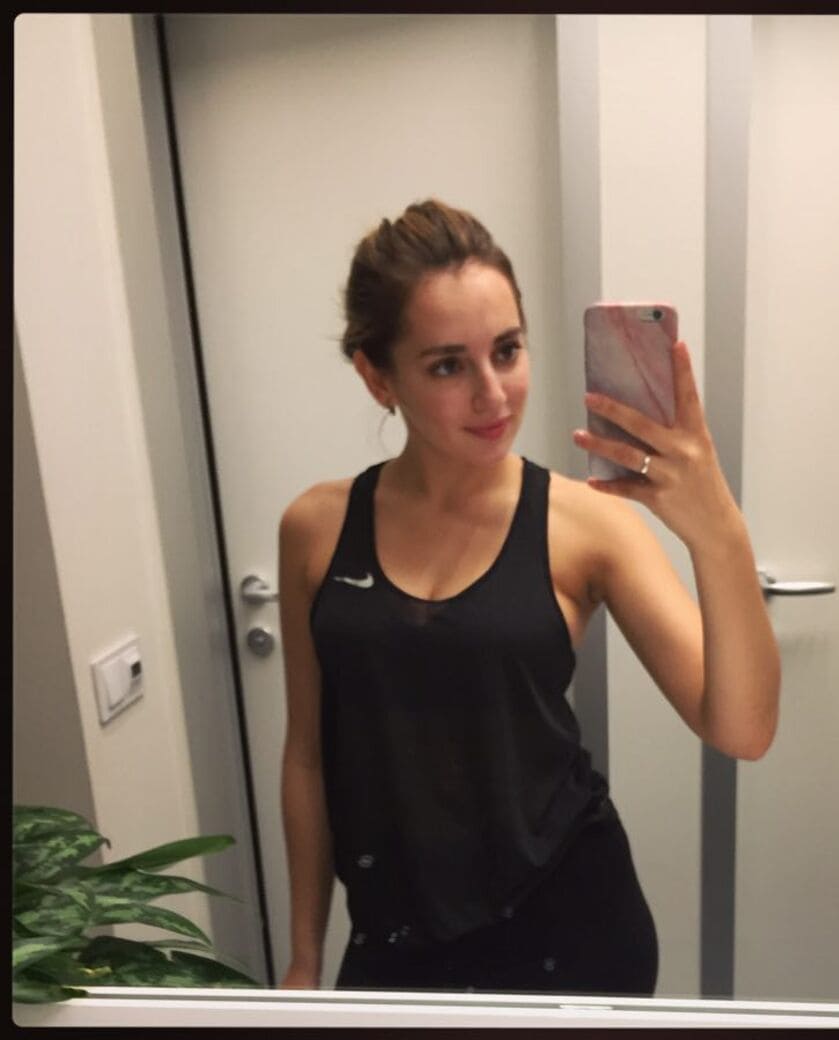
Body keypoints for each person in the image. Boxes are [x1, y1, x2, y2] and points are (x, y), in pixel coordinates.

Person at [277, 199, 780, 996]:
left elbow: (742, 730)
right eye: (448, 366)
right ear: (377, 377)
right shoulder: (315, 529)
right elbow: (307, 757)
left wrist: (719, 531)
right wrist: (304, 959)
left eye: (507, 351)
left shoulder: (588, 526)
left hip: (569, 928)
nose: (495, 394)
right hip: (395, 936)